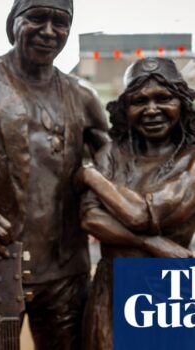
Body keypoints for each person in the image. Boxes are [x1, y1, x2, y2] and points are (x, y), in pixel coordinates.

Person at [0, 1, 110, 349]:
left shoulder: (83, 95)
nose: (49, 31)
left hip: (68, 270)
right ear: (14, 22)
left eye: (60, 22)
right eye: (37, 18)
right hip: (0, 263)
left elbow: (114, 163)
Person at [78, 57, 195, 350]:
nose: (152, 110)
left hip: (167, 287)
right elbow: (91, 219)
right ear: (125, 109)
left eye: (163, 98)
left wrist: (91, 176)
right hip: (113, 285)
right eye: (139, 101)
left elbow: (141, 214)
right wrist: (154, 245)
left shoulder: (191, 159)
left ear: (181, 103)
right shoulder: (112, 154)